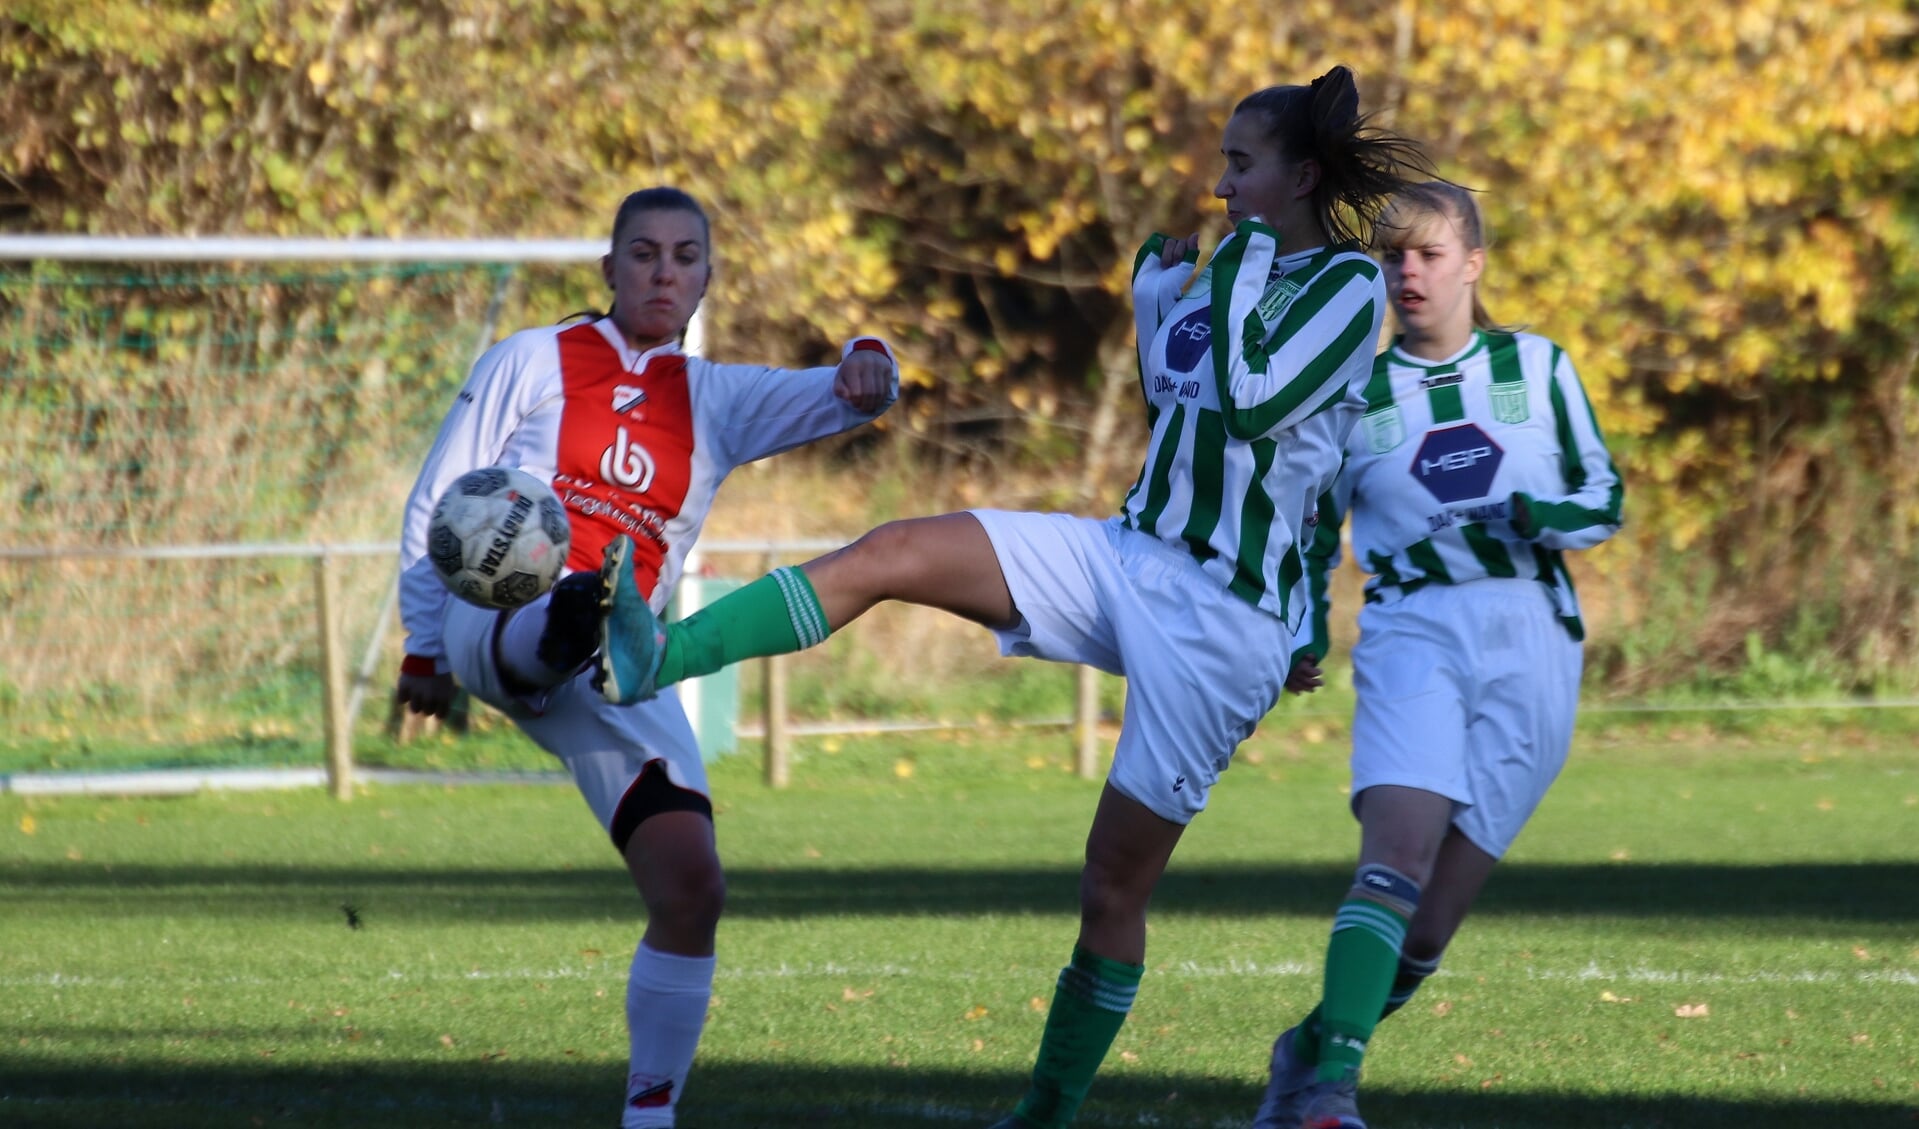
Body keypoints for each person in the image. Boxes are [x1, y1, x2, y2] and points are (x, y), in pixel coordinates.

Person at [589, 68, 1432, 1128]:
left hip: (1224, 625)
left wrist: (1299, 618)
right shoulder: (1218, 275)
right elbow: (1193, 408)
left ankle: (1043, 1111)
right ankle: (653, 655)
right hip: (1130, 555)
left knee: (1110, 889)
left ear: (1299, 176)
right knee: (893, 549)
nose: (1217, 186)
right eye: (1219, 162)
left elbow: (1264, 410)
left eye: (1238, 165)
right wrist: (1153, 308)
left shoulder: (1346, 290)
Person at [392, 186, 899, 1129]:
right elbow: (438, 497)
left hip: (618, 665)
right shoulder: (532, 359)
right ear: (609, 268)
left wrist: (873, 358)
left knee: (693, 884)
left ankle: (649, 1113)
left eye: (684, 256)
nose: (664, 271)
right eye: (643, 253)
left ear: (707, 275)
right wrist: (422, 641)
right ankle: (565, 616)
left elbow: (848, 392)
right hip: (488, 618)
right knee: (546, 591)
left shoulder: (717, 399)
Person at [1252, 180, 1624, 1129]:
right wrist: (1302, 629)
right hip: (1411, 629)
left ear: (1472, 262)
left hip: (1532, 637)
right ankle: (1330, 1092)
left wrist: (1544, 517)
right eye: (1390, 257)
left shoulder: (1538, 368)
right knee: (1397, 854)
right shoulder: (1351, 390)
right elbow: (1308, 532)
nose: (1406, 272)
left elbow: (1604, 498)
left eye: (1425, 254)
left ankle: (1305, 1046)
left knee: (1426, 929)